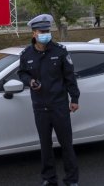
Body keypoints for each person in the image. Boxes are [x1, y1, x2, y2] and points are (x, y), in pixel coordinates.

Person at [18, 14, 80, 186]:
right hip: (40, 107)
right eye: (42, 31)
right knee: (45, 146)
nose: (46, 33)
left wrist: (74, 98)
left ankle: (72, 179)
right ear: (34, 34)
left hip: (59, 106)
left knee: (66, 145)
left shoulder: (60, 51)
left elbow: (70, 77)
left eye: (47, 30)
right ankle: (49, 178)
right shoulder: (26, 54)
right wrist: (30, 82)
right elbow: (22, 72)